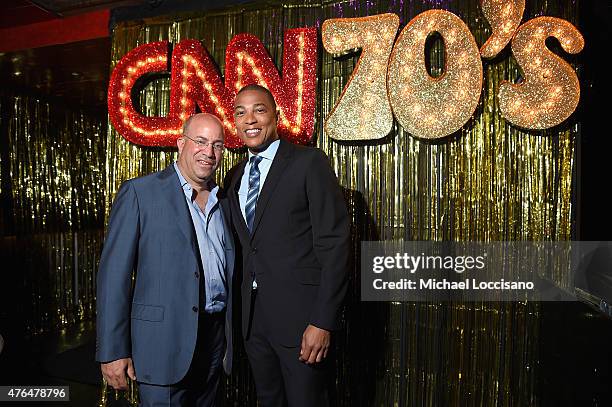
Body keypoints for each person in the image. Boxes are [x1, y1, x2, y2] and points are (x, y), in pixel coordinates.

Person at [96, 113, 235, 407]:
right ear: (180, 143)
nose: (209, 152)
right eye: (200, 141)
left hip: (214, 342)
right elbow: (113, 277)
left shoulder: (223, 201)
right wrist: (112, 351)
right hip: (162, 343)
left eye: (217, 144)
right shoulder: (140, 192)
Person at [226, 84, 350, 407]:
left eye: (259, 110)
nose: (249, 119)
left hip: (301, 323)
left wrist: (322, 320)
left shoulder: (308, 162)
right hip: (254, 324)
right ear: (234, 122)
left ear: (276, 116)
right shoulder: (234, 177)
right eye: (240, 112)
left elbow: (335, 244)